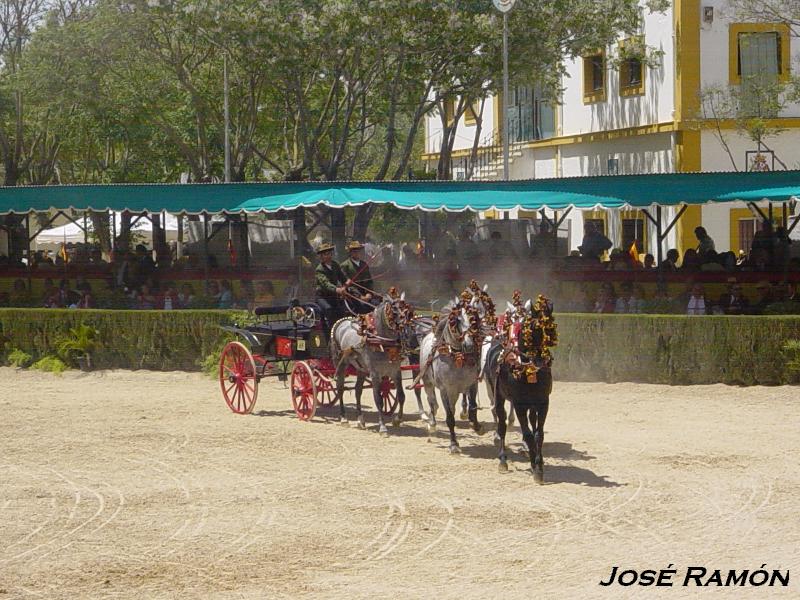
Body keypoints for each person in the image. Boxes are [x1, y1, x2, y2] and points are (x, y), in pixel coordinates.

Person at [314, 241, 348, 328]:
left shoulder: (335, 265)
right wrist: (338, 290)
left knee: (343, 310)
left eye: (329, 253)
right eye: (325, 254)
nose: (328, 256)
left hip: (334, 295)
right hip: (322, 297)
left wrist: (346, 284)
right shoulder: (319, 269)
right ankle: (329, 331)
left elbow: (343, 278)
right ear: (321, 256)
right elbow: (326, 284)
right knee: (329, 309)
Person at [339, 241, 376, 312]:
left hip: (366, 295)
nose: (357, 253)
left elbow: (369, 281)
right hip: (352, 296)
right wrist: (360, 297)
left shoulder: (364, 264)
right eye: (354, 251)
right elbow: (347, 285)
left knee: (378, 305)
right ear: (350, 253)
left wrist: (369, 293)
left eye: (358, 251)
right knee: (363, 307)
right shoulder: (345, 265)